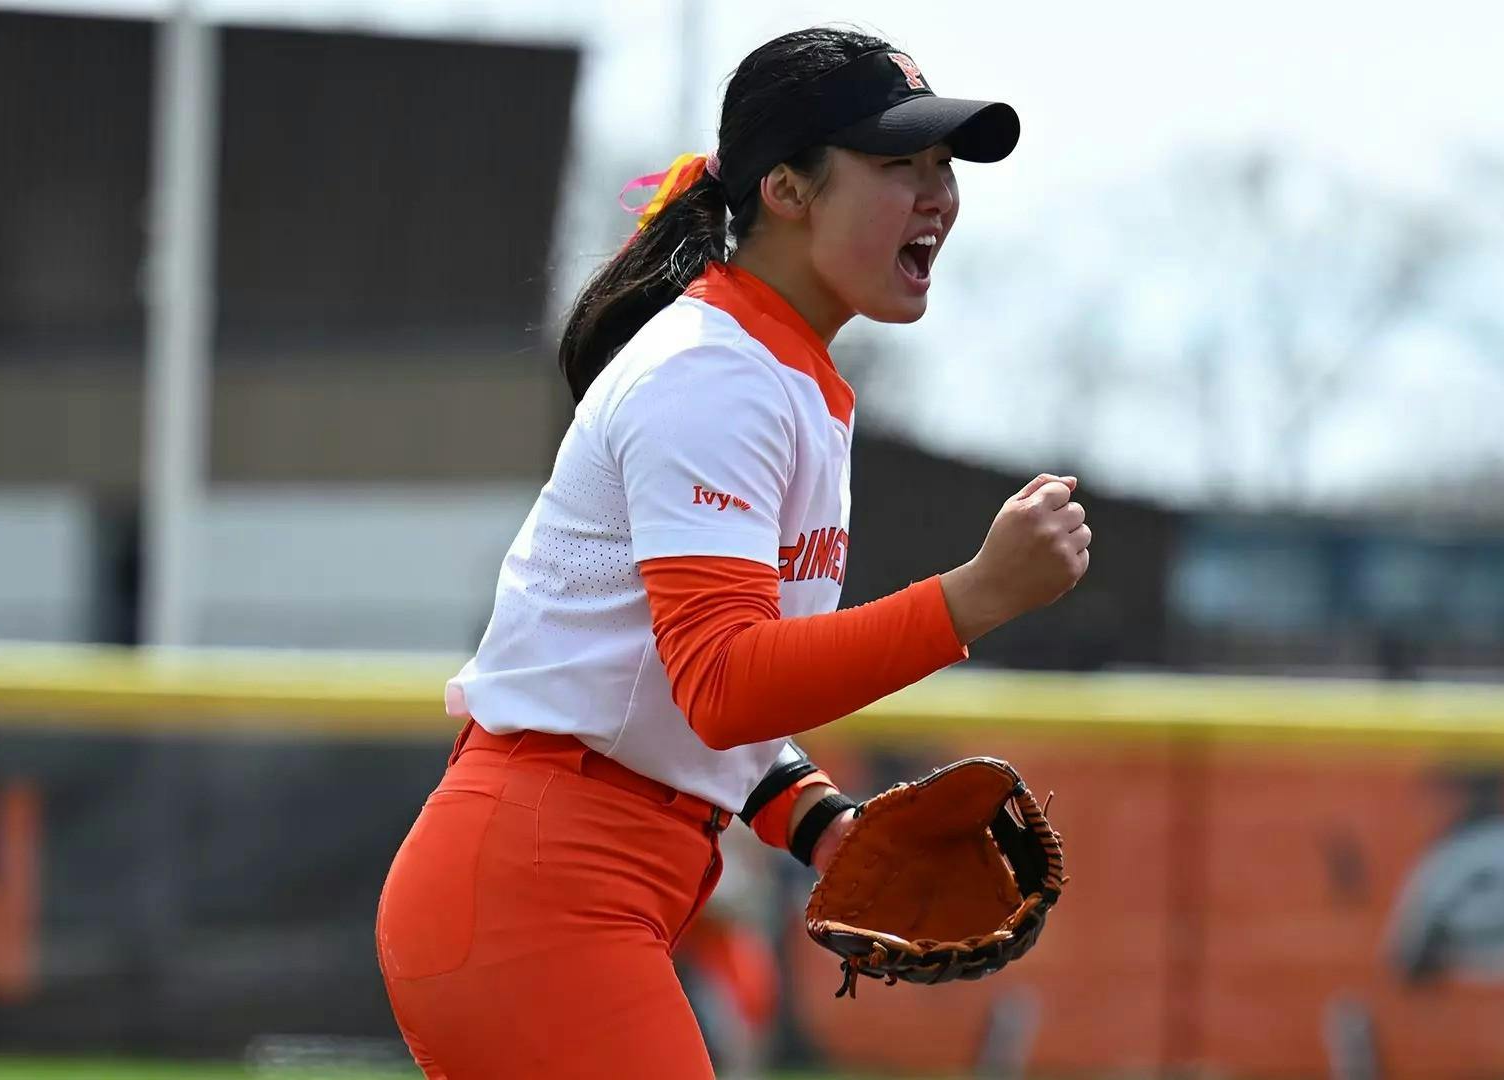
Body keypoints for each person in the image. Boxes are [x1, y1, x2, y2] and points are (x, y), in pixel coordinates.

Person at [374, 25, 1090, 1079]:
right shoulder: (716, 378)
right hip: (536, 887)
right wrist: (975, 598)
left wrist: (815, 822)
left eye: (946, 166)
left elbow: (668, 692)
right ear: (789, 188)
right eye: (900, 163)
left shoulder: (773, 371)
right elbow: (721, 686)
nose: (938, 193)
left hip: (572, 878)